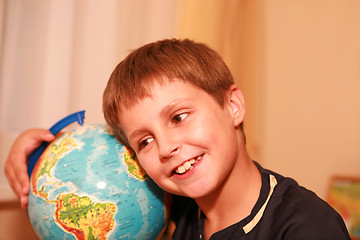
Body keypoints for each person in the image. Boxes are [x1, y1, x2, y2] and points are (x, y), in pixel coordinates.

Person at [5, 39, 350, 240]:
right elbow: (101, 164)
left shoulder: (306, 226)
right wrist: (30, 151)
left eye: (178, 117)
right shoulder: (175, 208)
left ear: (232, 106)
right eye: (145, 142)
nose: (167, 147)